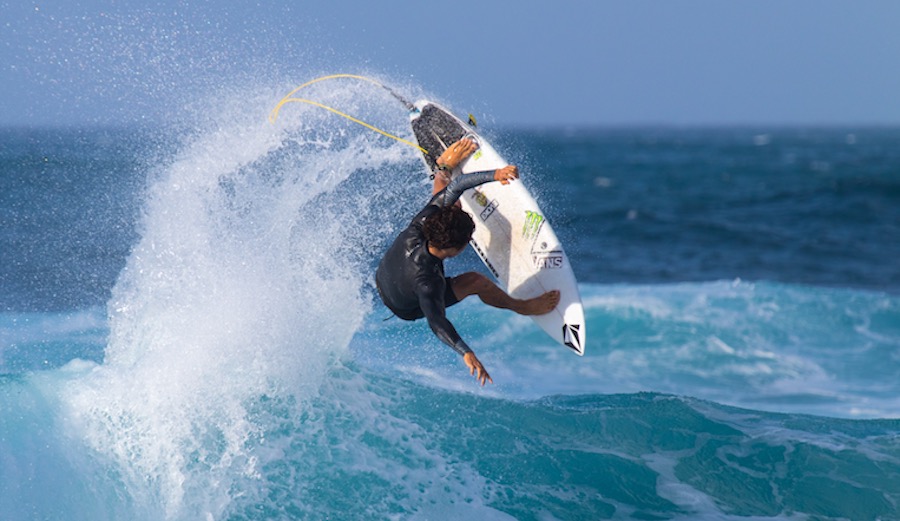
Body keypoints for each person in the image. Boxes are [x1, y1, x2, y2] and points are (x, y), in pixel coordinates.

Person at [375, 138, 560, 385]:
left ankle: (443, 168)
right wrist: (466, 352)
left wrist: (496, 174)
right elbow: (437, 322)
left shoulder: (421, 225)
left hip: (385, 274)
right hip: (404, 305)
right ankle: (523, 306)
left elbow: (456, 187)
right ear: (454, 250)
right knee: (475, 281)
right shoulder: (428, 283)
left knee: (450, 201)